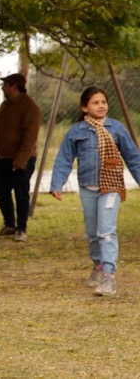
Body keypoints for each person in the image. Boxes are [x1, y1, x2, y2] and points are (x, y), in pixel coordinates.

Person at [50, 86, 140, 297]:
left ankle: (109, 276)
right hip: (87, 187)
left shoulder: (116, 128)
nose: (101, 106)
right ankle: (98, 266)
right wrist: (57, 184)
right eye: (95, 102)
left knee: (106, 231)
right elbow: (64, 159)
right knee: (92, 234)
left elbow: (133, 158)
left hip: (111, 187)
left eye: (103, 102)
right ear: (84, 107)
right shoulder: (76, 131)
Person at [0, 73, 41, 242]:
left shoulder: (30, 107)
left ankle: (21, 228)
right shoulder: (5, 105)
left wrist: (20, 162)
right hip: (3, 158)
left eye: (5, 85)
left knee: (21, 193)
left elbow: (29, 138)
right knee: (1, 190)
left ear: (14, 86)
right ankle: (9, 225)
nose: (2, 88)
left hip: (22, 159)